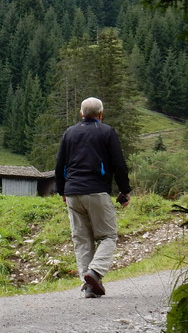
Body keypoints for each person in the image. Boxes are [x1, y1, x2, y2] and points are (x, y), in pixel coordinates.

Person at [55, 97, 132, 298]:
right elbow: (119, 164)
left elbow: (59, 165)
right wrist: (125, 190)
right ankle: (95, 271)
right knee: (108, 235)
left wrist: (62, 190)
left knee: (82, 240)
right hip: (96, 191)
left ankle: (89, 286)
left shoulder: (69, 133)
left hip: (72, 193)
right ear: (100, 114)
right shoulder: (107, 132)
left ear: (81, 114)